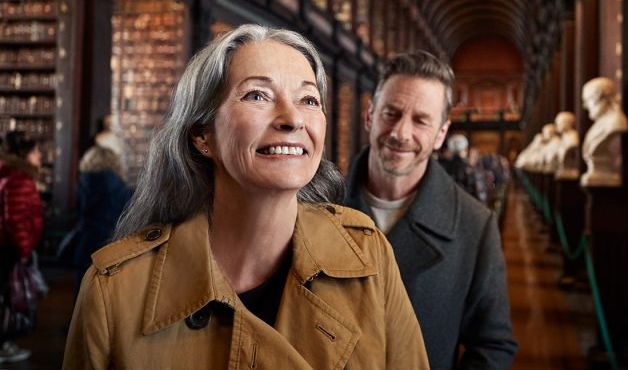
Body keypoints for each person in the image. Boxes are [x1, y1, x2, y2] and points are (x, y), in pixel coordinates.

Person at [64, 25, 428, 369]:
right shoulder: (114, 292)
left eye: (308, 99)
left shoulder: (368, 255)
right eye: (258, 95)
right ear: (202, 135)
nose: (292, 119)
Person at [345, 51, 517, 369]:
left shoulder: (474, 226)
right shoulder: (314, 205)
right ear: (370, 116)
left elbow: (493, 344)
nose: (401, 133)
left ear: (440, 134)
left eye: (421, 120)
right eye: (391, 113)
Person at [0, 131, 44, 364]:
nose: (40, 155)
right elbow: (15, 219)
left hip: (6, 245)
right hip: (10, 248)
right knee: (9, 297)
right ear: (23, 154)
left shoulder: (9, 173)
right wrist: (25, 250)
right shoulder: (18, 178)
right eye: (36, 151)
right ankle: (4, 345)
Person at [71, 145, 133, 294]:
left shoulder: (83, 186)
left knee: (83, 293)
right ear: (115, 163)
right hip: (113, 248)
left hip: (87, 245)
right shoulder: (124, 191)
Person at [580, 77, 628, 186]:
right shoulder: (598, 125)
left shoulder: (617, 122)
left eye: (588, 100)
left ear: (602, 98)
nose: (585, 106)